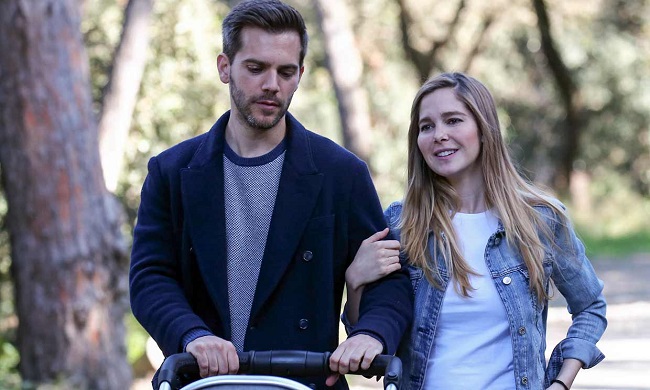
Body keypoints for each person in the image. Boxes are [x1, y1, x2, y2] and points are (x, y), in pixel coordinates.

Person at [128, 1, 412, 389]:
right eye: (256, 68)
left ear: (300, 75)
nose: (271, 85)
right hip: (203, 381)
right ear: (225, 68)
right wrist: (192, 335)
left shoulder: (340, 173)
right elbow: (150, 276)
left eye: (286, 72)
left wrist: (372, 334)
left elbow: (388, 278)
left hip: (304, 380)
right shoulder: (172, 172)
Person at [344, 72, 607, 390]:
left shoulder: (540, 219)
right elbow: (367, 350)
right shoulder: (402, 225)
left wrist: (561, 383)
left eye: (453, 120)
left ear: (484, 130)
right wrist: (355, 280)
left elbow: (590, 306)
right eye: (426, 126)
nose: (439, 134)